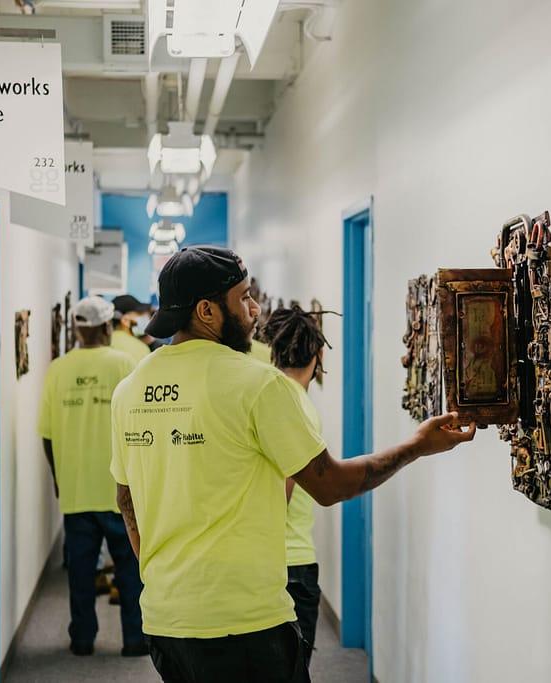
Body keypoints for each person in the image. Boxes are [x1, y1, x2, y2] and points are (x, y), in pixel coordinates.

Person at [110, 246, 476, 683]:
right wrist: (417, 445)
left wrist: (165, 579)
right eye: (244, 297)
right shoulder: (258, 384)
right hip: (245, 626)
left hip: (165, 622)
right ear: (206, 311)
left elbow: (126, 499)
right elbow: (330, 485)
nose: (254, 309)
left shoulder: (129, 390)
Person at [38, 296, 148, 658]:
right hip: (120, 489)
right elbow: (140, 427)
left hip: (76, 489)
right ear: (105, 327)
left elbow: (47, 434)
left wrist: (58, 477)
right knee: (129, 567)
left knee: (81, 572)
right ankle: (135, 639)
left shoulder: (57, 369)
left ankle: (82, 639)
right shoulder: (126, 364)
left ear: (77, 328)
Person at [263, 305, 332, 669]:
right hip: (289, 562)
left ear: (273, 351)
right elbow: (282, 494)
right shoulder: (296, 406)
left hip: (269, 559)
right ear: (319, 354)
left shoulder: (270, 396)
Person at [110, 294, 153, 364]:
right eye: (140, 314)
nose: (147, 317)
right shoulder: (140, 348)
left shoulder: (104, 343)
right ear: (125, 320)